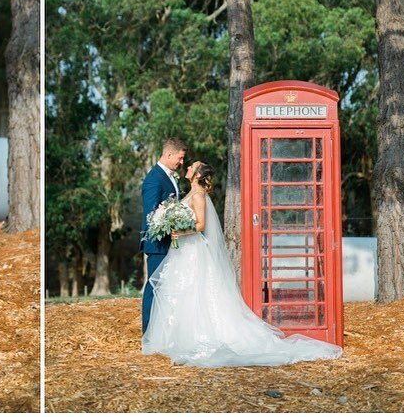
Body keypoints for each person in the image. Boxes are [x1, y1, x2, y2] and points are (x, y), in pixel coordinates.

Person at [142, 161, 342, 367]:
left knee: (194, 292)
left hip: (192, 250)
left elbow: (200, 225)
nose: (188, 167)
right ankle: (176, 336)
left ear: (197, 174)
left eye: (192, 166)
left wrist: (180, 231)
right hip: (184, 250)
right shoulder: (192, 192)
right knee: (183, 292)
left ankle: (195, 336)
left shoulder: (199, 195)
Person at [140, 137, 186, 334]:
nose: (182, 162)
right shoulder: (154, 179)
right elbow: (152, 215)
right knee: (154, 287)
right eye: (180, 158)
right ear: (169, 154)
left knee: (167, 288)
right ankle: (148, 332)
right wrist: (170, 227)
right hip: (158, 243)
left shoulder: (168, 176)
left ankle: (163, 331)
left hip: (171, 241)